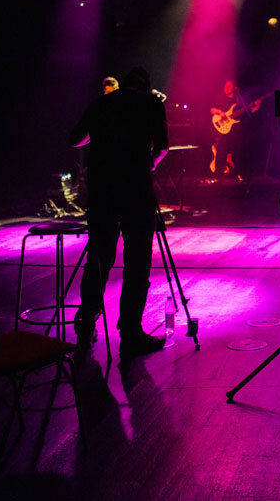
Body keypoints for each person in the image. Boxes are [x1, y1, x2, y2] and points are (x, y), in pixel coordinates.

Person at [70, 66, 169, 360]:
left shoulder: (102, 103)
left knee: (99, 258)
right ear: (146, 86)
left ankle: (85, 328)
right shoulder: (151, 103)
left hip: (102, 191)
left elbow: (76, 139)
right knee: (137, 263)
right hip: (136, 191)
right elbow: (163, 146)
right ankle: (130, 334)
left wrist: (101, 137)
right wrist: (148, 164)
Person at [209, 79, 260, 176]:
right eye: (225, 86)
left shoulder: (239, 100)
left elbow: (246, 115)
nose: (226, 88)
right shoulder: (220, 98)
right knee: (221, 152)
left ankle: (238, 175)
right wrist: (220, 112)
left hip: (236, 131)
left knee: (238, 152)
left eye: (228, 86)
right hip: (223, 130)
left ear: (234, 88)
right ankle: (217, 176)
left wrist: (255, 109)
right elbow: (212, 109)